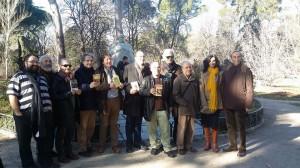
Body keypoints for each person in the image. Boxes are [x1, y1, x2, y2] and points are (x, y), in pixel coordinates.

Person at [7, 54, 56, 168]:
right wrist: (18, 112)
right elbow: (12, 94)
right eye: (32, 61)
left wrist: (50, 108)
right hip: (25, 114)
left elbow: (46, 94)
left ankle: (44, 162)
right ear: (25, 63)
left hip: (43, 114)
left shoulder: (42, 77)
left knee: (43, 140)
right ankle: (28, 165)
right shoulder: (18, 76)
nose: (35, 64)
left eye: (36, 62)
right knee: (24, 143)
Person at [139, 62, 177, 158]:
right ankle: (155, 146)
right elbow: (140, 91)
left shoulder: (166, 79)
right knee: (152, 130)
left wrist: (171, 106)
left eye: (158, 67)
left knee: (165, 129)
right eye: (155, 67)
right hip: (151, 109)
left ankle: (167, 148)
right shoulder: (146, 79)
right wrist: (149, 91)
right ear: (151, 69)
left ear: (160, 68)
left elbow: (170, 95)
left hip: (163, 108)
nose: (157, 69)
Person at [221, 51, 254, 157]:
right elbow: (222, 86)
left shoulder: (246, 69)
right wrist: (222, 102)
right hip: (227, 103)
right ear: (231, 58)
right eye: (234, 57)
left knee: (241, 127)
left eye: (238, 56)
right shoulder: (226, 70)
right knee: (230, 126)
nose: (236, 58)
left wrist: (248, 104)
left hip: (240, 104)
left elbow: (249, 89)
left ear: (241, 57)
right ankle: (233, 145)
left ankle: (242, 147)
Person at [51, 58, 81, 163]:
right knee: (61, 134)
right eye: (65, 65)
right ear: (60, 66)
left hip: (71, 110)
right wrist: (69, 93)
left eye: (69, 65)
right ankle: (61, 155)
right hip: (61, 111)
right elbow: (54, 96)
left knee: (70, 133)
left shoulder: (69, 77)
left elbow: (74, 90)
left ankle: (69, 152)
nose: (68, 67)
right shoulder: (56, 78)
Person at [96, 54, 124, 154]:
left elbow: (122, 82)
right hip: (105, 101)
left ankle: (114, 146)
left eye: (110, 59)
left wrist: (121, 85)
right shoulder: (98, 71)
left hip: (116, 99)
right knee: (104, 124)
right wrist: (109, 85)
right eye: (107, 59)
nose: (109, 61)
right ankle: (101, 146)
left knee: (114, 124)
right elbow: (97, 87)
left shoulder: (115, 69)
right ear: (103, 61)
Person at [173, 61, 201, 155]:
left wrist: (197, 106)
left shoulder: (195, 80)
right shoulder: (178, 80)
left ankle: (189, 145)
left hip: (192, 108)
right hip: (183, 109)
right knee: (182, 128)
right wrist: (184, 103)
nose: (189, 69)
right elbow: (175, 95)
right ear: (182, 69)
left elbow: (197, 94)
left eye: (190, 67)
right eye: (186, 67)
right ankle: (180, 147)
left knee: (191, 129)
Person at [74, 53, 99, 157]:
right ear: (83, 61)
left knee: (91, 127)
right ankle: (82, 148)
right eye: (87, 60)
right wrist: (89, 86)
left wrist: (97, 86)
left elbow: (96, 86)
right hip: (83, 105)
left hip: (93, 104)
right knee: (82, 128)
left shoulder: (94, 71)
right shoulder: (78, 72)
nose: (89, 62)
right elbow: (77, 87)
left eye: (91, 60)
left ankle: (88, 143)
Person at [123, 51, 147, 153]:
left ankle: (137, 142)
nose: (142, 58)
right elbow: (124, 83)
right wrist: (129, 90)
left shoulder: (146, 68)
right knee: (129, 124)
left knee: (139, 123)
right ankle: (129, 144)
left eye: (143, 56)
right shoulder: (128, 67)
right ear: (135, 57)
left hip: (142, 100)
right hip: (131, 100)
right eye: (140, 56)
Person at [200, 55, 223, 153]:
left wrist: (221, 103)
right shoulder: (203, 73)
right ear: (207, 62)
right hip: (204, 103)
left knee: (214, 125)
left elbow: (221, 89)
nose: (212, 62)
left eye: (214, 61)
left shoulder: (219, 73)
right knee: (205, 125)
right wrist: (204, 103)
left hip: (215, 103)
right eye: (211, 61)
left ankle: (214, 144)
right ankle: (207, 143)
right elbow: (201, 89)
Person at [39, 55, 58, 157]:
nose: (48, 63)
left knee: (52, 131)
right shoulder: (38, 75)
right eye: (46, 61)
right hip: (44, 108)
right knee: (45, 133)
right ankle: (45, 154)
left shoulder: (54, 74)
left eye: (49, 61)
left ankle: (50, 150)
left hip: (55, 106)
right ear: (41, 64)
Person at [162, 49, 181, 145]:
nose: (170, 58)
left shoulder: (179, 68)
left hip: (176, 100)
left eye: (171, 56)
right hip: (164, 100)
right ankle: (165, 142)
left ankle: (176, 139)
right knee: (164, 122)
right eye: (167, 57)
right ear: (163, 57)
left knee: (177, 120)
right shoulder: (160, 68)